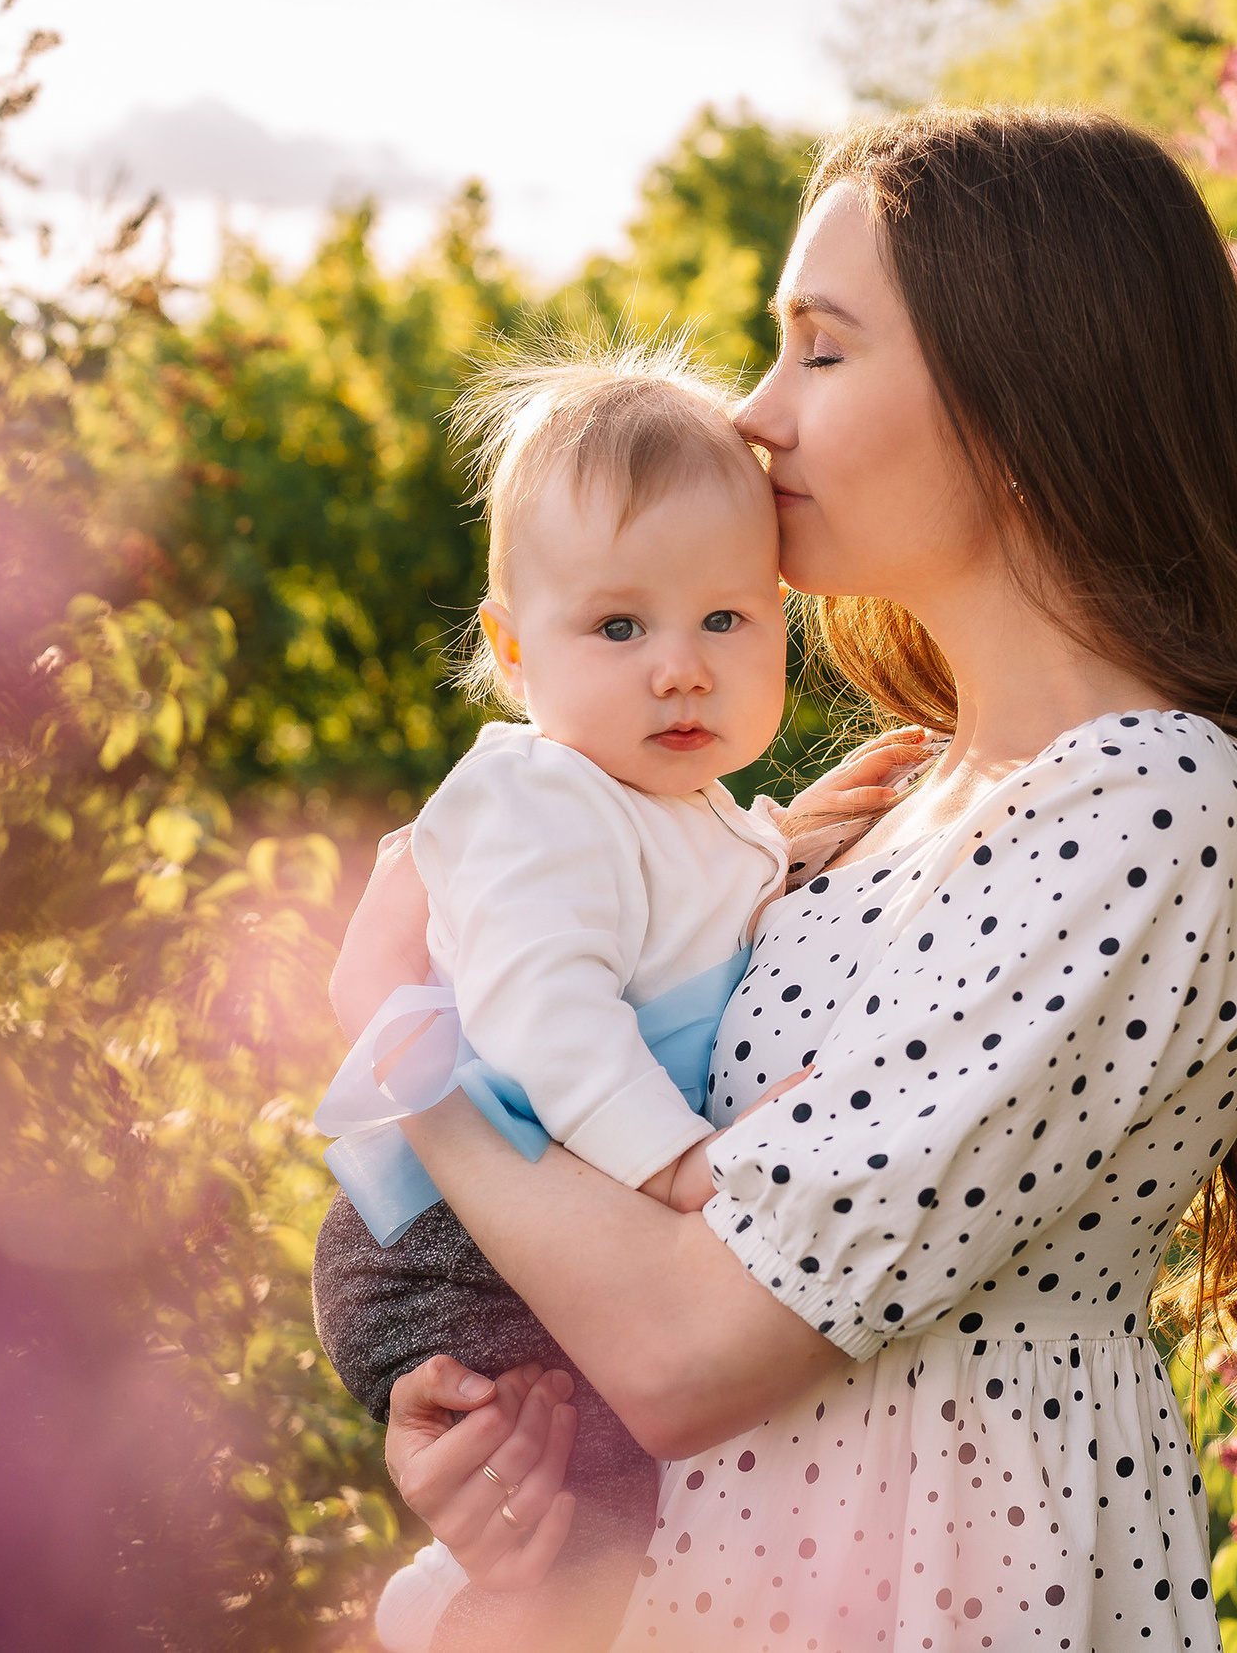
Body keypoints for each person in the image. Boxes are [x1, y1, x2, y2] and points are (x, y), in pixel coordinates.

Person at [324, 104, 1237, 1653]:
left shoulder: (1156, 808)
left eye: (819, 351)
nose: (756, 418)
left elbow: (692, 1343)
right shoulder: (898, 803)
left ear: (1025, 399)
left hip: (937, 1589)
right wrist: (508, 1437)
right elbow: (636, 1267)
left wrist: (401, 1044)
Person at [306, 345, 927, 1651]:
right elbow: (549, 1017)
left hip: (506, 1213)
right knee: (586, 1522)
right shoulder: (529, 802)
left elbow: (681, 914)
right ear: (512, 649)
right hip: (445, 1248)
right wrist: (685, 1168)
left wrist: (782, 843)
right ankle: (455, 1619)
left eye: (726, 619)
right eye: (620, 627)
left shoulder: (661, 807)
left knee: (612, 1517)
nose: (682, 668)